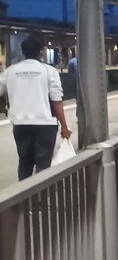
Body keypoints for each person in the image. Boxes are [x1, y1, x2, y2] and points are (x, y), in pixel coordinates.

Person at [0, 35, 72, 180]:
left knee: (24, 163)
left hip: (20, 124)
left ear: (23, 52)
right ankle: (41, 198)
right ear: (41, 52)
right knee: (43, 165)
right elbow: (56, 101)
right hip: (45, 125)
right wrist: (64, 126)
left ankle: (25, 199)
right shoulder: (49, 71)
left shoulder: (11, 71)